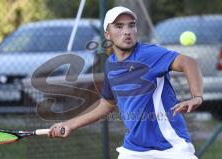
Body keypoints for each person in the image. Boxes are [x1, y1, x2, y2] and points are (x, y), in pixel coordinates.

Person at [48, 6, 203, 159]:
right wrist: (69, 124)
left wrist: (197, 96)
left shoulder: (149, 54)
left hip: (171, 147)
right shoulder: (110, 64)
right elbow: (107, 105)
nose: (127, 31)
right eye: (119, 26)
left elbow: (189, 62)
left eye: (131, 25)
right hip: (134, 149)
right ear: (107, 34)